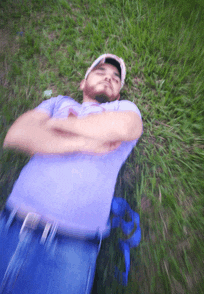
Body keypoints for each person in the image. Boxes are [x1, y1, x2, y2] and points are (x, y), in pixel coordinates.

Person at [0, 53, 143, 294]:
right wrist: (84, 144)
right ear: (82, 83)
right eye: (100, 72)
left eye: (116, 78)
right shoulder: (58, 103)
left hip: (72, 247)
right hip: (12, 225)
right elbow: (16, 135)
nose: (109, 78)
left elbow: (127, 126)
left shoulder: (122, 108)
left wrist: (58, 125)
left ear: (118, 93)